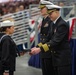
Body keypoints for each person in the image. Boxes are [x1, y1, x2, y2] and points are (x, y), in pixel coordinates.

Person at [30, 4, 71, 75]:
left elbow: (55, 41)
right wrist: (37, 47)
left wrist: (40, 49)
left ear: (57, 12)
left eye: (51, 13)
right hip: (54, 59)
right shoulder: (53, 24)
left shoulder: (62, 24)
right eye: (48, 14)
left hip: (62, 59)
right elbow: (47, 39)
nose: (49, 16)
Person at [29, 0, 54, 75]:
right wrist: (36, 47)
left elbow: (49, 38)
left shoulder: (50, 20)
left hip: (49, 51)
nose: (40, 10)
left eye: (42, 8)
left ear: (48, 8)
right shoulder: (43, 20)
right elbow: (43, 37)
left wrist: (39, 48)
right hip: (44, 51)